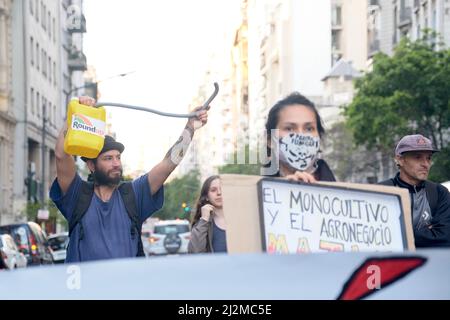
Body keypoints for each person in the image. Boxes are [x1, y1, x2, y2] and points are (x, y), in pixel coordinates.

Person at [50, 96, 208, 263]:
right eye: (108, 158)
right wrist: (75, 115)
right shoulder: (77, 195)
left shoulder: (133, 194)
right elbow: (61, 155)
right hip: (85, 287)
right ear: (91, 165)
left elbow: (170, 163)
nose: (116, 163)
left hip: (127, 287)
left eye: (118, 157)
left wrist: (190, 128)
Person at [379, 134, 450, 247]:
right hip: (391, 263)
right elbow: (377, 237)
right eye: (417, 157)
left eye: (428, 158)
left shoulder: (439, 192)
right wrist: (427, 231)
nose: (425, 164)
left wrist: (399, 233)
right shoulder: (381, 192)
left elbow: (444, 237)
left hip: (431, 263)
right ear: (400, 160)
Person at [263, 92, 336, 182]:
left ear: (319, 137)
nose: (301, 136)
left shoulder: (344, 194)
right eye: (289, 128)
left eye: (309, 129)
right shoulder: (253, 191)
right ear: (270, 140)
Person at [188, 175, 226, 253]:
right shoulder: (203, 224)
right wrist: (204, 220)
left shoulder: (240, 218)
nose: (219, 193)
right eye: (213, 190)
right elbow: (194, 251)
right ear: (207, 197)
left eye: (222, 188)